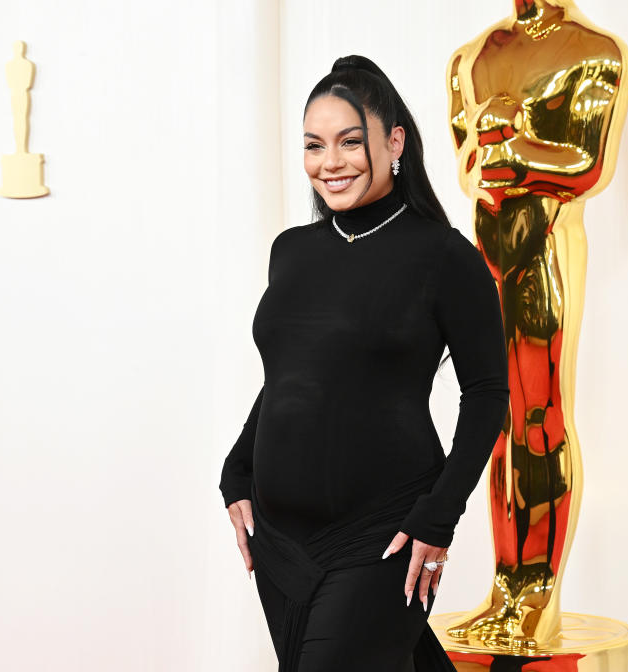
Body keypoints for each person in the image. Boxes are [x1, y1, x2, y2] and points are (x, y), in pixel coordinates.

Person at [218, 54, 510, 672]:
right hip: (279, 540)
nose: (331, 163)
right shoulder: (292, 251)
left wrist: (441, 514)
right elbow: (289, 375)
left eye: (351, 142)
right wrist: (237, 468)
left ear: (394, 140)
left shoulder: (444, 256)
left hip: (386, 531)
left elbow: (487, 393)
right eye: (314, 145)